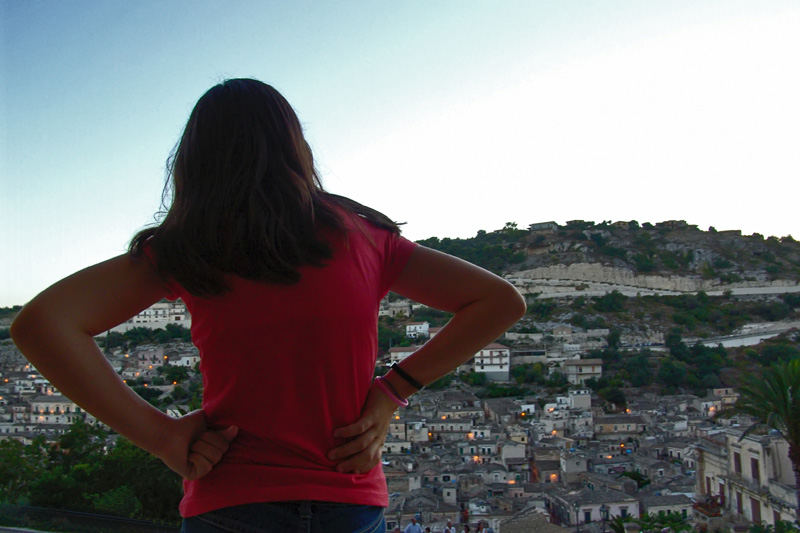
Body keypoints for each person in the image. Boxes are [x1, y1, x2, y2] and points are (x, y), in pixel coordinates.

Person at [10, 79, 526, 532]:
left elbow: (40, 324)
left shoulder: (191, 247)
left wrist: (160, 435)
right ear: (295, 146)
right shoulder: (365, 238)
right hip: (344, 495)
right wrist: (393, 390)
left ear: (195, 159)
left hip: (228, 497)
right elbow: (500, 300)